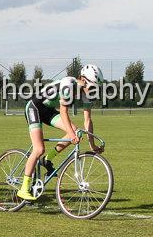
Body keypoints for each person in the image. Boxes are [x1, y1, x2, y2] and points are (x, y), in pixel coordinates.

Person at [16, 65, 104, 201]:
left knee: (75, 131)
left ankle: (47, 159)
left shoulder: (86, 93)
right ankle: (23, 188)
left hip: (48, 110)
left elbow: (87, 120)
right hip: (34, 107)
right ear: (83, 80)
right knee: (39, 148)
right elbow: (64, 113)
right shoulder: (68, 84)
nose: (93, 91)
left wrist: (91, 144)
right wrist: (72, 135)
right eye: (92, 87)